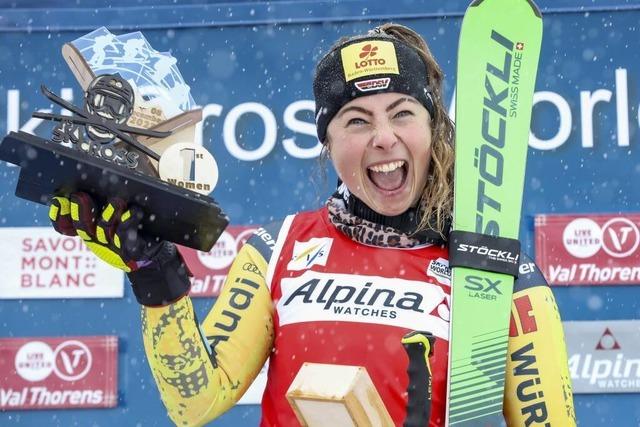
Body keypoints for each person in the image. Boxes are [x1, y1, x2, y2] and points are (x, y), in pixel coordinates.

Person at [48, 23, 576, 427]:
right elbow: (195, 400)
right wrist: (154, 269)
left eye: (402, 113)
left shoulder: (503, 278)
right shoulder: (278, 249)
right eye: (357, 121)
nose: (384, 137)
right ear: (328, 142)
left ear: (434, 127)